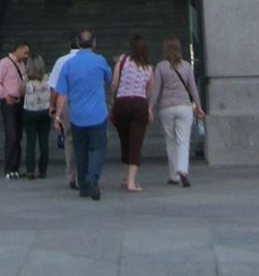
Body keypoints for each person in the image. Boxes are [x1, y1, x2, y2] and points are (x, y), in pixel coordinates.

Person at [52, 29, 112, 201]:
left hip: (77, 116)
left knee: (80, 150)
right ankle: (93, 176)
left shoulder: (69, 64)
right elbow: (109, 78)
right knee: (98, 148)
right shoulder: (100, 61)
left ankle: (83, 187)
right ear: (94, 43)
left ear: (78, 44)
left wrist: (58, 116)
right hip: (97, 114)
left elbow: (62, 93)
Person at [147, 37, 204, 188]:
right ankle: (183, 170)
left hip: (166, 108)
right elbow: (193, 87)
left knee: (170, 141)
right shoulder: (186, 66)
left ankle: (174, 176)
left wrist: (150, 107)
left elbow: (156, 90)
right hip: (184, 107)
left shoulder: (161, 66)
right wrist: (198, 106)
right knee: (183, 141)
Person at [110, 34, 154, 192]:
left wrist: (113, 98)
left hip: (122, 102)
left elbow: (114, 83)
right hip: (139, 103)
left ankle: (125, 177)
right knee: (135, 143)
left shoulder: (122, 60)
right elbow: (150, 91)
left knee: (125, 141)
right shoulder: (149, 67)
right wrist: (149, 108)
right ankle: (131, 182)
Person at [0, 40, 30, 179]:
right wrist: (5, 95)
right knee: (11, 134)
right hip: (9, 101)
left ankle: (15, 167)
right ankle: (8, 168)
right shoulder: (5, 63)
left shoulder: (22, 65)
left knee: (18, 135)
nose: (26, 56)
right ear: (18, 50)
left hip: (20, 101)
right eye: (25, 52)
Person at [48, 32, 80, 189]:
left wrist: (52, 106)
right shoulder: (91, 59)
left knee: (69, 139)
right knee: (85, 140)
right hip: (85, 103)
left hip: (66, 104)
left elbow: (55, 87)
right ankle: (83, 173)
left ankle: (71, 175)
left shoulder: (62, 61)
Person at [22, 53, 52, 179]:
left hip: (30, 111)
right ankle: (43, 170)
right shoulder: (48, 77)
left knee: (31, 142)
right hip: (45, 111)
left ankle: (30, 170)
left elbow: (20, 92)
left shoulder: (26, 79)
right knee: (44, 142)